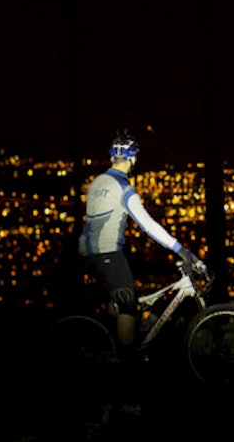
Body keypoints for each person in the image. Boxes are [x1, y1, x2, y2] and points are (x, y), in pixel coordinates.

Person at [79, 129, 199, 355]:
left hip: (91, 254)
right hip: (108, 253)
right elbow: (148, 225)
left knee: (119, 296)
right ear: (132, 158)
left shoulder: (97, 182)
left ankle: (107, 342)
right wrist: (180, 249)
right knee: (127, 301)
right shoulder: (124, 189)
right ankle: (126, 360)